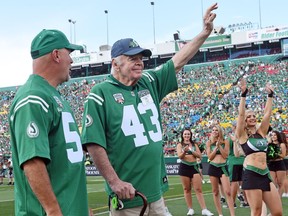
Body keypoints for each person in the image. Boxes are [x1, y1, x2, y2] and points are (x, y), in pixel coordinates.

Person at [81, 3, 218, 215]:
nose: (139, 63)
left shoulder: (148, 82)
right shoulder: (100, 93)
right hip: (128, 197)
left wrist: (205, 32)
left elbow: (178, 61)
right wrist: (114, 181)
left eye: (141, 59)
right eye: (132, 59)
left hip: (156, 193)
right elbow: (93, 143)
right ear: (115, 63)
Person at [9, 29, 90, 215]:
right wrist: (53, 210)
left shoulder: (52, 95)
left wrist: (82, 207)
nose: (71, 61)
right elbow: (33, 161)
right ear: (56, 55)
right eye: (69, 54)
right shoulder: (33, 97)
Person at [235, 78, 282, 216]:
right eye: (249, 116)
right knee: (256, 211)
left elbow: (267, 114)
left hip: (265, 174)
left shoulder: (261, 132)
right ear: (245, 120)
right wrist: (243, 95)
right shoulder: (242, 134)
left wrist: (270, 96)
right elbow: (241, 114)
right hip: (251, 173)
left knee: (278, 212)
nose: (252, 118)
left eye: (254, 116)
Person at [176, 129, 213, 216]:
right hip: (184, 167)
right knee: (187, 189)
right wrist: (184, 151)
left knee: (198, 189)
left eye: (188, 134)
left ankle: (204, 209)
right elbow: (180, 156)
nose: (187, 136)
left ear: (190, 135)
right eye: (185, 134)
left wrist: (191, 151)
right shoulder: (179, 145)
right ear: (182, 135)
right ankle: (190, 209)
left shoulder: (194, 144)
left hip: (194, 167)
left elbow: (200, 156)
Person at [206, 125, 235, 216]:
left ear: (220, 132)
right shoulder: (209, 142)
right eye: (213, 130)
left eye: (216, 130)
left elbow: (225, 155)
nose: (215, 132)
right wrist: (215, 148)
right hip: (213, 167)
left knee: (228, 191)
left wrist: (220, 146)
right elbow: (210, 157)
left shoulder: (225, 141)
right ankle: (220, 214)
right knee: (215, 191)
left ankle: (232, 214)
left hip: (223, 167)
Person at [228, 121, 249, 208]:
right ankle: (246, 201)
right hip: (244, 161)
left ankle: (232, 203)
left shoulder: (233, 137)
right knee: (244, 183)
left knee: (233, 183)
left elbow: (230, 150)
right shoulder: (245, 136)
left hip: (234, 161)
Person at [267, 130, 286, 196]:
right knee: (272, 183)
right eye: (272, 135)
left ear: (278, 136)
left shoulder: (281, 144)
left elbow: (283, 155)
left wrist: (275, 153)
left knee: (280, 183)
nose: (273, 136)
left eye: (275, 135)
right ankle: (274, 197)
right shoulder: (269, 144)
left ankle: (279, 197)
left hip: (279, 163)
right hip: (271, 164)